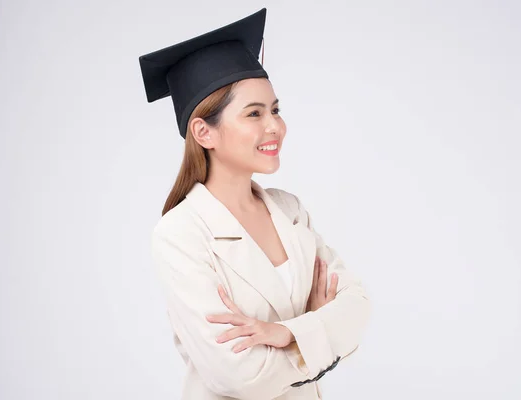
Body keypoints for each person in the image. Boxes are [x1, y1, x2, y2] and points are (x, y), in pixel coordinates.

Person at [139, 8, 371, 400]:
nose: (275, 127)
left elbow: (358, 308)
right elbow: (238, 375)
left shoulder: (289, 210)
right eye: (254, 114)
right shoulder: (181, 234)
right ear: (203, 132)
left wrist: (285, 333)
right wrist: (316, 328)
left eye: (276, 110)